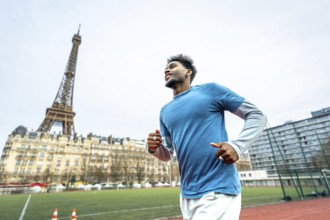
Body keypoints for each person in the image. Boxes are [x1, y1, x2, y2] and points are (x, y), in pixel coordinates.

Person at [147, 54, 267, 220]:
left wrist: (237, 146)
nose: (167, 69)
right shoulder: (165, 111)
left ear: (188, 72)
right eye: (166, 68)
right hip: (187, 195)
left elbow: (256, 115)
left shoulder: (211, 90)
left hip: (218, 188)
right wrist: (154, 148)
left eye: (173, 66)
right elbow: (167, 154)